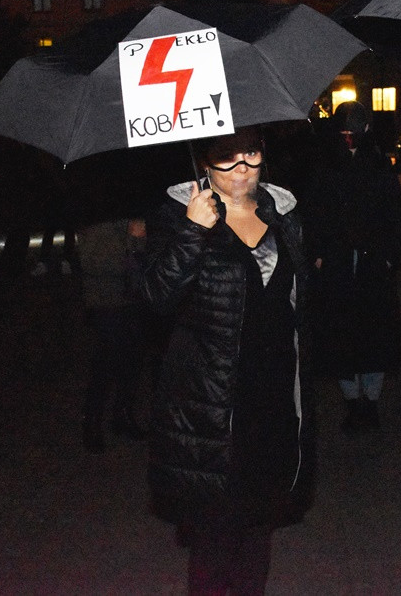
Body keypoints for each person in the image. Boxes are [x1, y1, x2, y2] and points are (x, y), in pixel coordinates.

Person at [137, 126, 314, 594]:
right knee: (215, 544)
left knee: (259, 531)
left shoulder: (284, 212)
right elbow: (156, 297)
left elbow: (296, 303)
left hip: (274, 400)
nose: (241, 166)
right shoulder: (179, 215)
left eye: (251, 153)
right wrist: (194, 231)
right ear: (203, 162)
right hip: (213, 405)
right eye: (226, 155)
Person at [303, 100, 401, 434]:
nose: (349, 136)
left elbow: (395, 216)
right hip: (337, 264)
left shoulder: (379, 165)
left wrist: (391, 255)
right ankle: (352, 404)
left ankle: (371, 403)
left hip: (373, 264)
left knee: (373, 335)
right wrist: (318, 252)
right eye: (344, 130)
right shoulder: (324, 166)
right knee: (342, 335)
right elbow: (314, 213)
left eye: (355, 129)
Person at [76, 206, 150, 452]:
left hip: (135, 296)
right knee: (106, 361)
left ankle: (122, 415)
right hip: (106, 299)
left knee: (134, 357)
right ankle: (92, 423)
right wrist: (133, 240)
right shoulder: (97, 212)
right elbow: (91, 260)